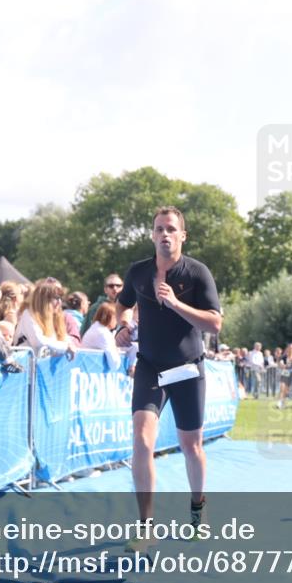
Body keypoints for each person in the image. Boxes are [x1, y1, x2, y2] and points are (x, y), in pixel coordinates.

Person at [114, 206, 221, 548]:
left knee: (192, 446)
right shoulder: (138, 272)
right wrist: (123, 325)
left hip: (188, 368)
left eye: (171, 229)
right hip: (150, 366)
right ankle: (146, 526)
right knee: (142, 440)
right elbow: (124, 304)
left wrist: (175, 304)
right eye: (159, 228)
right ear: (151, 234)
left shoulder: (197, 273)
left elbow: (215, 324)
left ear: (182, 236)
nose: (164, 234)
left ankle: (197, 508)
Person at [15, 279, 79, 359]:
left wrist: (70, 344)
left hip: (41, 367)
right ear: (44, 299)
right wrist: (66, 347)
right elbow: (38, 341)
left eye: (60, 298)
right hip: (25, 367)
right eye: (56, 298)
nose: (59, 302)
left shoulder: (55, 318)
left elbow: (63, 338)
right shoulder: (28, 314)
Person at [81, 302, 122, 368]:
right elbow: (115, 364)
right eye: (115, 317)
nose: (117, 320)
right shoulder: (104, 334)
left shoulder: (94, 328)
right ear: (110, 317)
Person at [276, 342, 292, 409]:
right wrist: (282, 365)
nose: (291, 349)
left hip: (291, 375)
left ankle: (283, 402)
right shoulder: (284, 356)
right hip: (284, 373)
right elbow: (279, 362)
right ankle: (279, 403)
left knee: (286, 390)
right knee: (282, 388)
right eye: (289, 348)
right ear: (287, 349)